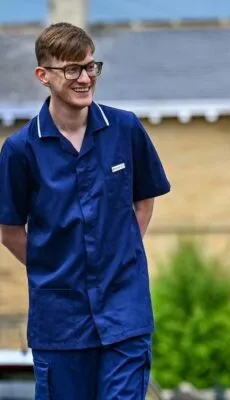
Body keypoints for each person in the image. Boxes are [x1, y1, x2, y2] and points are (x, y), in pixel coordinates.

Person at [0, 23, 171, 399]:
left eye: (91, 67)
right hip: (59, 320)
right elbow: (10, 229)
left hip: (124, 309)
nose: (84, 78)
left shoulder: (124, 129)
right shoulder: (20, 150)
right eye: (72, 69)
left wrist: (120, 250)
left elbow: (145, 199)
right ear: (43, 76)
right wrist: (53, 264)